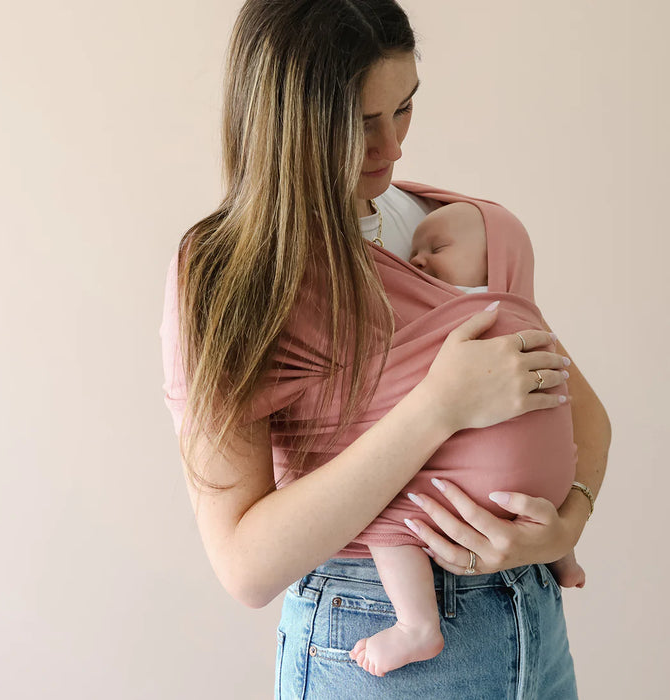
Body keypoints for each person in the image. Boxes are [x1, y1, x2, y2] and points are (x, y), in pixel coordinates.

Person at [159, 1, 611, 697]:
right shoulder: (234, 273)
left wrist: (566, 524)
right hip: (375, 627)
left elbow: (582, 410)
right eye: (359, 124)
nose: (392, 148)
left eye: (403, 108)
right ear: (287, 124)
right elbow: (244, 566)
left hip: (532, 621)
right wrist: (439, 406)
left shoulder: (449, 227)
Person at [342, 203, 590, 677]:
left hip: (473, 502)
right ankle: (562, 557)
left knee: (391, 517)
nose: (416, 260)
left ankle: (416, 625)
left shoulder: (471, 312)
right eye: (415, 249)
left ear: (498, 262)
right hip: (546, 493)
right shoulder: (529, 322)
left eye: (437, 248)